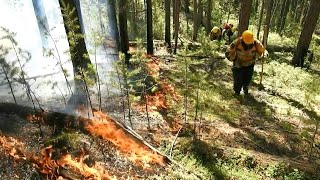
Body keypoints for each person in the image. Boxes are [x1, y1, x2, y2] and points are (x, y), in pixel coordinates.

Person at [228, 30, 265, 96]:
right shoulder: (237, 42)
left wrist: (264, 55)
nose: (248, 44)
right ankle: (237, 92)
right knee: (237, 79)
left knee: (247, 79)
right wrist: (232, 58)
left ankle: (245, 88)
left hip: (250, 64)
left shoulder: (256, 43)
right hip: (238, 63)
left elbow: (263, 51)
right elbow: (230, 50)